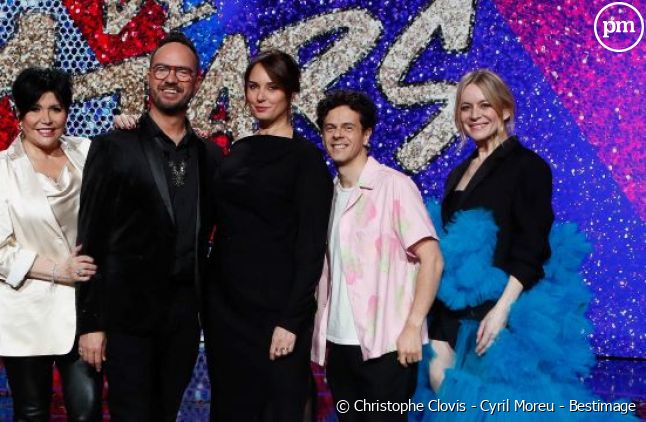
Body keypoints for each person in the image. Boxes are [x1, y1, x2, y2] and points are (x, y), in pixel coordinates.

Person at [414, 69, 632, 420]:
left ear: (504, 110)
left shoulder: (528, 167)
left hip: (495, 311)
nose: (475, 115)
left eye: (485, 105)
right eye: (466, 107)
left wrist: (501, 311)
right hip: (449, 313)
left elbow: (533, 248)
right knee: (444, 394)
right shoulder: (458, 172)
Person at [76, 32, 222, 421]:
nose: (171, 79)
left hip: (184, 320)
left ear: (197, 80)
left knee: (167, 414)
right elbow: (89, 238)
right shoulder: (113, 145)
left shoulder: (210, 154)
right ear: (149, 76)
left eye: (181, 71)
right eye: (162, 69)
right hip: (127, 320)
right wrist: (90, 323)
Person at [202, 49, 333, 422]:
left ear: (291, 93)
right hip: (226, 310)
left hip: (277, 311)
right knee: (230, 407)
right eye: (253, 86)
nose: (260, 96)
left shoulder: (306, 160)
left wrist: (291, 320)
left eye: (272, 88)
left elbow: (311, 247)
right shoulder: (237, 152)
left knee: (278, 407)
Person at [311, 91, 443, 422]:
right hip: (339, 345)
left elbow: (432, 259)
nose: (337, 135)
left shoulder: (393, 186)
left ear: (366, 134)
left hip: (386, 345)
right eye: (330, 128)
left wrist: (413, 326)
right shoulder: (327, 195)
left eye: (347, 127)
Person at [0, 67, 102, 421]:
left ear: (67, 112)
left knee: (87, 411)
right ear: (20, 115)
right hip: (25, 312)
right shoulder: (2, 169)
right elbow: (1, 251)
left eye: (56, 108)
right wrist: (60, 270)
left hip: (84, 312)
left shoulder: (88, 153)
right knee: (31, 413)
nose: (46, 119)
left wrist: (130, 127)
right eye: (35, 109)